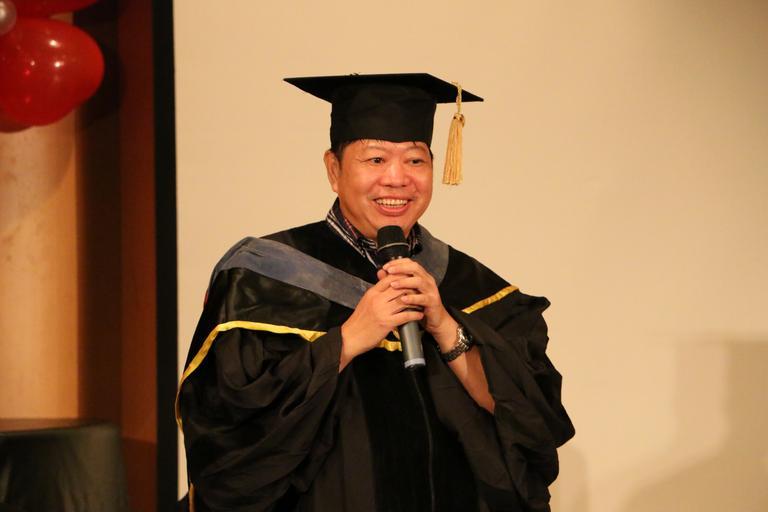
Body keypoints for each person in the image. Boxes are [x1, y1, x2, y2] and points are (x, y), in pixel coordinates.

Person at [177, 73, 574, 512]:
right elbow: (227, 431)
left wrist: (446, 328)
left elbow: (531, 424)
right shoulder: (264, 277)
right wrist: (348, 340)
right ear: (334, 169)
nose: (397, 178)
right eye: (376, 159)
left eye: (415, 160)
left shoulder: (470, 284)